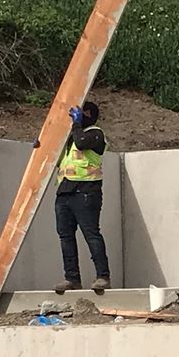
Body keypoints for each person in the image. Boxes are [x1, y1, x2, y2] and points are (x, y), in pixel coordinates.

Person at [53, 98, 110, 293]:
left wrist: (76, 124)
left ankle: (103, 276)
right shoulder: (69, 140)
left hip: (86, 192)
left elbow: (81, 142)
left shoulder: (96, 134)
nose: (76, 117)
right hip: (65, 192)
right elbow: (55, 160)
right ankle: (72, 278)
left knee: (91, 234)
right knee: (66, 237)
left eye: (80, 113)